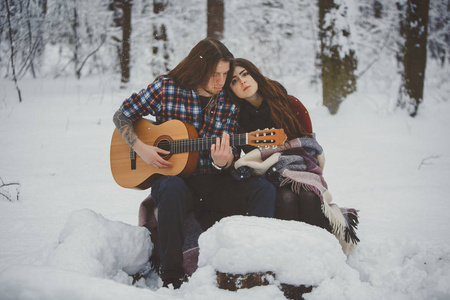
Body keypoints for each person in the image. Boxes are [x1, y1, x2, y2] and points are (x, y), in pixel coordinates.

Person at [113, 40, 276, 288]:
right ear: (198, 69)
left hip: (213, 181)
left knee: (263, 191)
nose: (221, 82)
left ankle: (252, 265)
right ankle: (171, 276)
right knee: (172, 188)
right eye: (215, 74)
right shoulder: (166, 88)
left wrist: (224, 161)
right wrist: (140, 147)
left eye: (224, 74)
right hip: (173, 180)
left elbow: (230, 149)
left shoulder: (228, 102)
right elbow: (122, 114)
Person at [225, 58, 359, 255]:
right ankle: (291, 257)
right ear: (231, 90)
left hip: (303, 169)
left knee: (307, 196)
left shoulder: (290, 104)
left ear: (254, 73)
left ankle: (321, 253)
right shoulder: (237, 119)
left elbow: (310, 147)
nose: (243, 82)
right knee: (286, 198)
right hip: (269, 174)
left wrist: (289, 165)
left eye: (245, 74)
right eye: (234, 81)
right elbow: (247, 159)